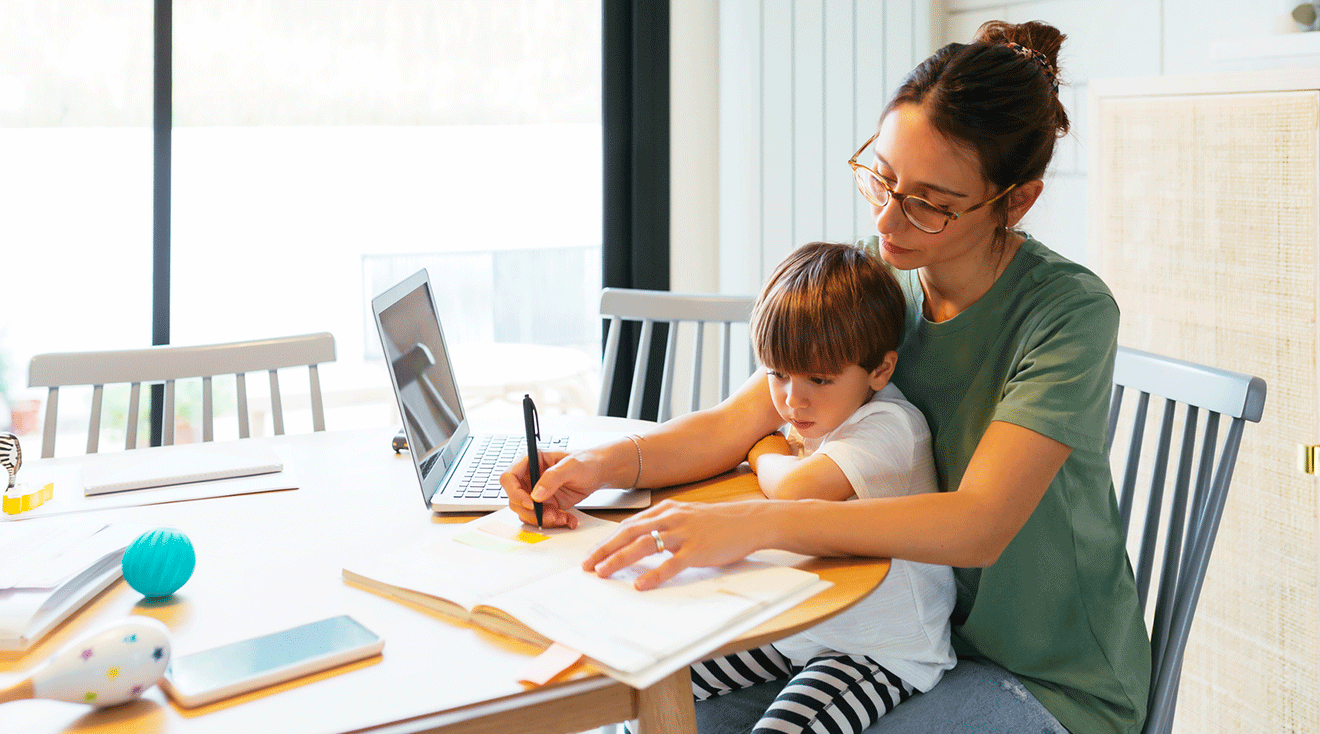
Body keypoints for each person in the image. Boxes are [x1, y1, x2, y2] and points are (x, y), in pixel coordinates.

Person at [502, 19, 1150, 734]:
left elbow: (979, 525)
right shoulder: (882, 281)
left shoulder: (1066, 312)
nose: (887, 216)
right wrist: (597, 466)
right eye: (883, 176)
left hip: (1039, 677)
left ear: (1016, 201)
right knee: (653, 706)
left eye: (930, 202)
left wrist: (757, 518)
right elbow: (733, 422)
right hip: (868, 628)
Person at [676, 241, 956, 734]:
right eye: (776, 374)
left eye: (819, 380)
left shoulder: (891, 425)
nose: (791, 399)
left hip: (877, 649)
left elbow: (794, 489)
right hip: (804, 628)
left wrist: (762, 449)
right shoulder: (823, 415)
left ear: (880, 370)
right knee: (661, 677)